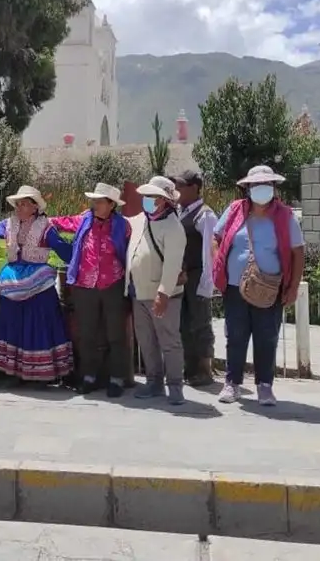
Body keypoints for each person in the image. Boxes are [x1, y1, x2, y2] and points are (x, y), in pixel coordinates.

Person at [213, 165, 305, 407]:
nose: (261, 190)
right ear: (248, 189)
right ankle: (232, 383)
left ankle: (265, 386)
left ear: (273, 189)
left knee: (266, 337)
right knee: (235, 335)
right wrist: (218, 264)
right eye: (256, 186)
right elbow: (217, 237)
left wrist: (293, 286)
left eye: (266, 185)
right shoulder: (235, 211)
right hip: (235, 287)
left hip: (269, 288)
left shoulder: (285, 216)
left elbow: (298, 251)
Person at [0, 185, 73, 386]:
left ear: (35, 207)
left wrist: (80, 252)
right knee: (11, 323)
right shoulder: (9, 224)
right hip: (13, 283)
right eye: (18, 204)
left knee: (38, 323)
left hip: (38, 285)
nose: (19, 207)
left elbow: (62, 249)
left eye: (24, 203)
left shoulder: (46, 228)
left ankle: (41, 372)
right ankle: (11, 369)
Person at [51, 182, 131, 396]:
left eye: (99, 201)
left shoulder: (123, 225)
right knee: (87, 333)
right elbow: (62, 222)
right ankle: (89, 376)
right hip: (84, 285)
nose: (94, 204)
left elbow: (130, 252)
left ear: (111, 204)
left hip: (113, 283)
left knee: (115, 333)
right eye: (93, 200)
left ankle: (116, 378)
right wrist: (43, 220)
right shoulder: (84, 220)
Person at [126, 176, 188, 405]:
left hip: (164, 295)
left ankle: (175, 385)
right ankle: (154, 382)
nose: (148, 200)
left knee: (169, 340)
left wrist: (163, 293)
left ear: (164, 200)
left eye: (153, 197)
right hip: (139, 292)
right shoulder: (140, 220)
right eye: (147, 196)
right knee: (146, 340)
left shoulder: (173, 227)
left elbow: (172, 265)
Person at [172, 171, 217, 387]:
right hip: (182, 277)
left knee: (200, 323)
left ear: (194, 188)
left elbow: (210, 251)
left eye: (181, 185)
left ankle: (204, 370)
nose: (177, 190)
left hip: (198, 276)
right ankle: (189, 369)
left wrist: (206, 283)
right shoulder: (179, 212)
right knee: (183, 323)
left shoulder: (205, 215)